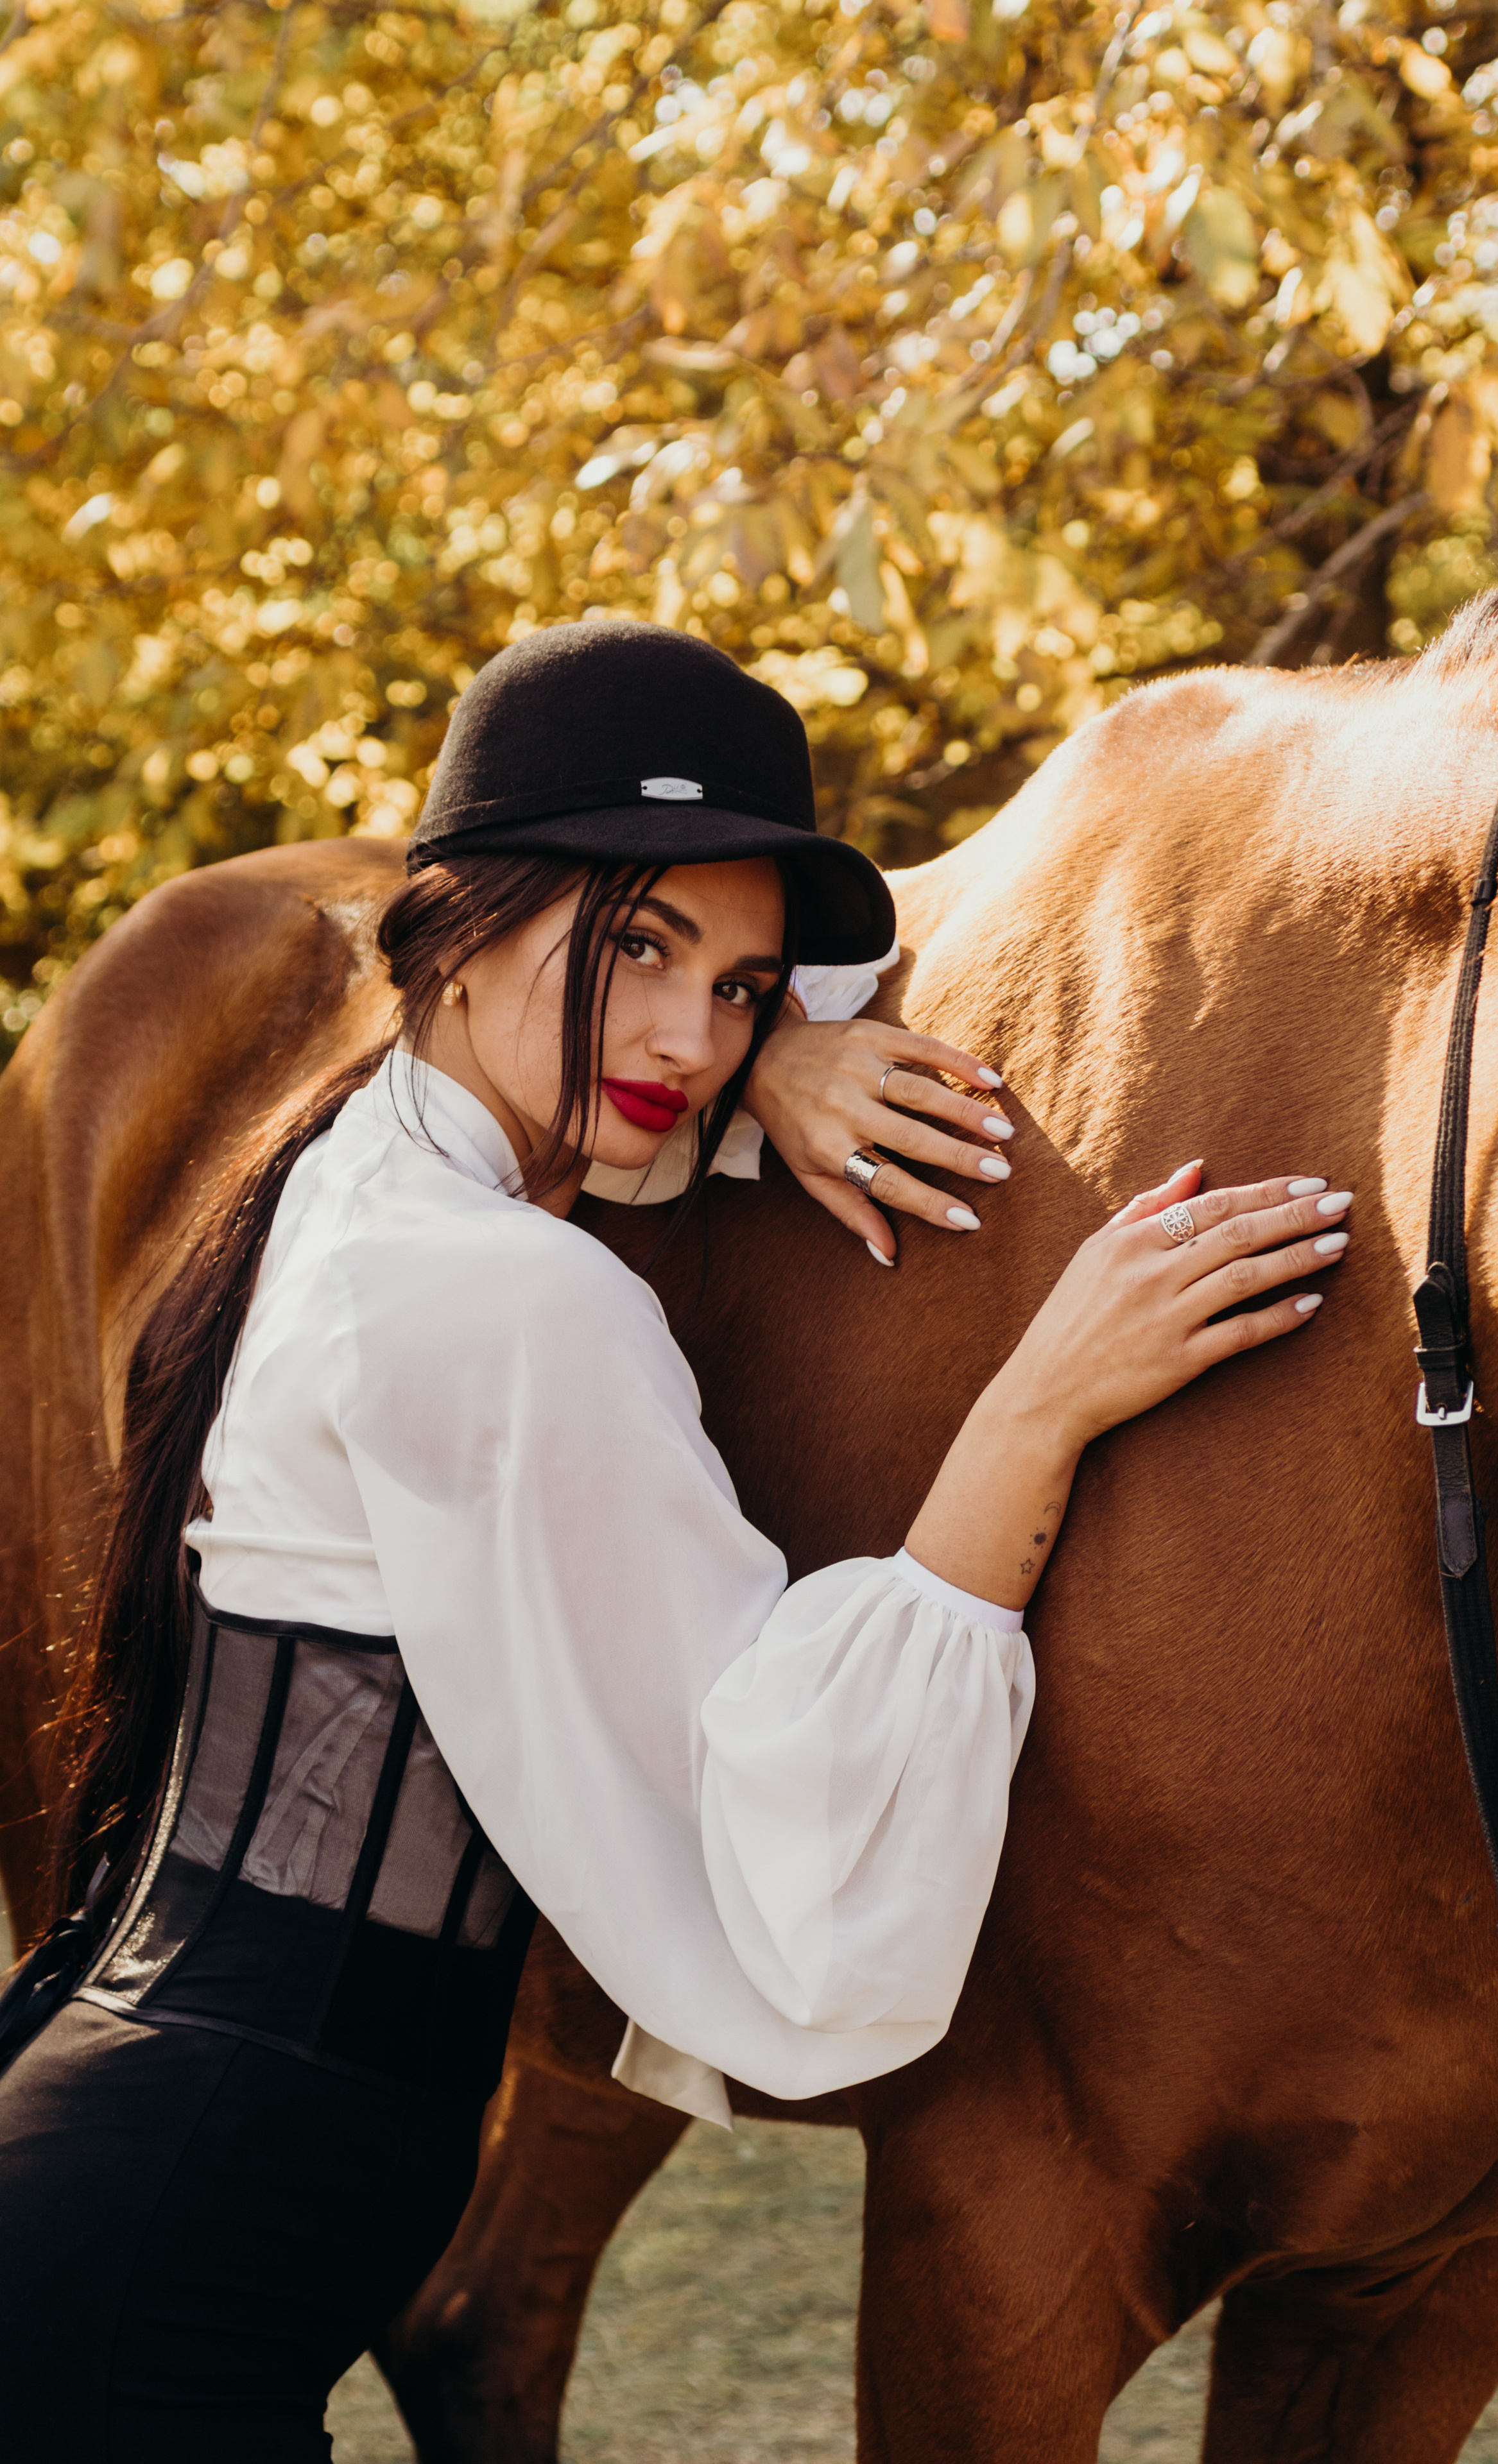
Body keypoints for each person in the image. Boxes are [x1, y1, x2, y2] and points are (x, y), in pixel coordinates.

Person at [0, 620, 1353, 2461]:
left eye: (738, 986)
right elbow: (777, 1775)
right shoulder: (510, 1305)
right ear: (458, 925)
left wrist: (771, 1063)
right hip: (167, 2269)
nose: (685, 1033)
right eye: (637, 947)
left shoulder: (351, 1184)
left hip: (127, 2177)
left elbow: (563, 1035)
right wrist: (1048, 1396)